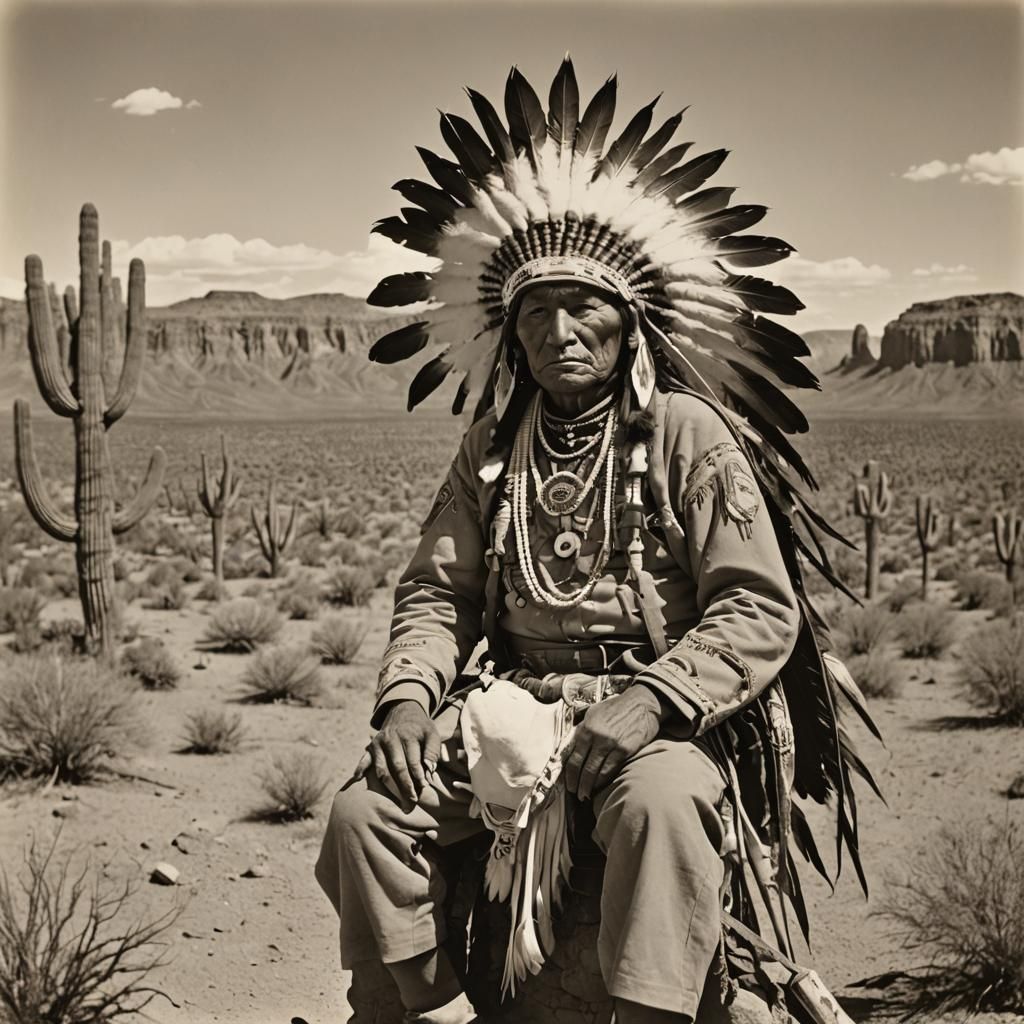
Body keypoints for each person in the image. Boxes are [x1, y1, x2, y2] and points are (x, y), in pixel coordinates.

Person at [316, 59, 876, 1024]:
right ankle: (397, 1002)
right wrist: (408, 701)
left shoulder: (687, 435)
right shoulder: (492, 445)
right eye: (535, 311)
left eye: (585, 308)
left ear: (629, 324)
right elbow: (437, 591)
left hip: (655, 716)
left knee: (659, 809)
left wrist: (653, 701)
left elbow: (756, 604)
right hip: (509, 708)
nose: (560, 330)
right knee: (366, 811)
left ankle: (651, 1014)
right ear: (509, 332)